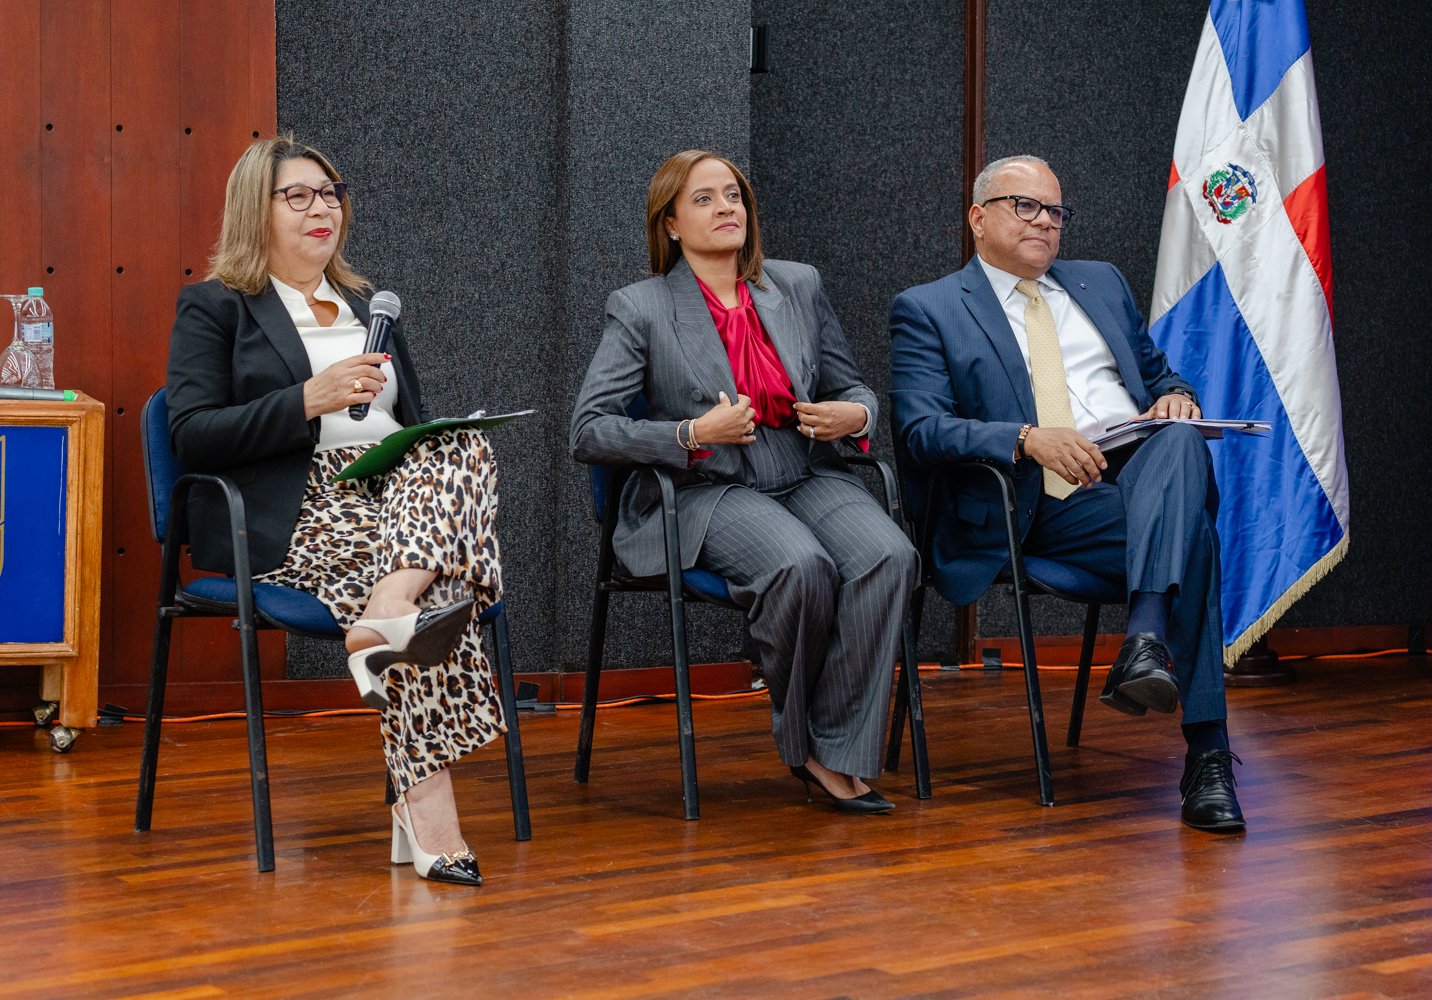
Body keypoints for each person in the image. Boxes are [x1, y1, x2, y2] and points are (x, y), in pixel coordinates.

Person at [166, 135, 506, 883]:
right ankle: (428, 807)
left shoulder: (367, 306)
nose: (322, 207)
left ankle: (387, 605)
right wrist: (305, 400)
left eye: (330, 193)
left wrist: (423, 454)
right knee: (441, 597)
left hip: (398, 496)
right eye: (299, 195)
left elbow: (412, 422)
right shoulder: (216, 307)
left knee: (464, 444)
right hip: (295, 504)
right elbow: (190, 433)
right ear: (255, 210)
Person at [889, 154, 1245, 831]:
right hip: (1029, 503)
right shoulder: (929, 309)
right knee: (1194, 540)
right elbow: (921, 430)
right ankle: (1206, 755)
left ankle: (1147, 642)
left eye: (1055, 211)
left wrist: (1175, 398)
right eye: (1025, 206)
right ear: (978, 218)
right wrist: (1026, 438)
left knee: (1178, 437)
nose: (1045, 222)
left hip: (1134, 484)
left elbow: (1162, 376)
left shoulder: (1100, 283)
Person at [571, 149, 918, 813]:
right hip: (704, 485)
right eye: (703, 199)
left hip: (802, 468)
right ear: (670, 223)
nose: (726, 207)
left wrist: (857, 414)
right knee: (799, 566)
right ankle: (807, 746)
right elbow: (588, 430)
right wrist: (690, 432)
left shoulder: (796, 285)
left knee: (889, 555)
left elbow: (852, 385)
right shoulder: (641, 307)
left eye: (732, 195)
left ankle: (836, 745)